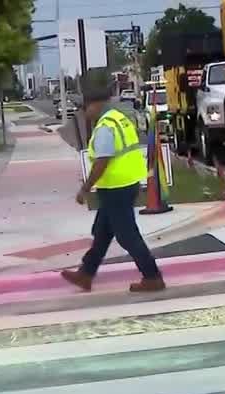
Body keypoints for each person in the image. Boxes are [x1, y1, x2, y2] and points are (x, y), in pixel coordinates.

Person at [61, 86, 165, 293]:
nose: (84, 113)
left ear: (95, 105)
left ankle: (152, 276)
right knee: (102, 232)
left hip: (116, 187)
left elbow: (102, 162)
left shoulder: (105, 127)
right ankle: (86, 274)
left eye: (85, 108)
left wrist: (85, 188)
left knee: (127, 235)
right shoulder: (119, 119)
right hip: (124, 183)